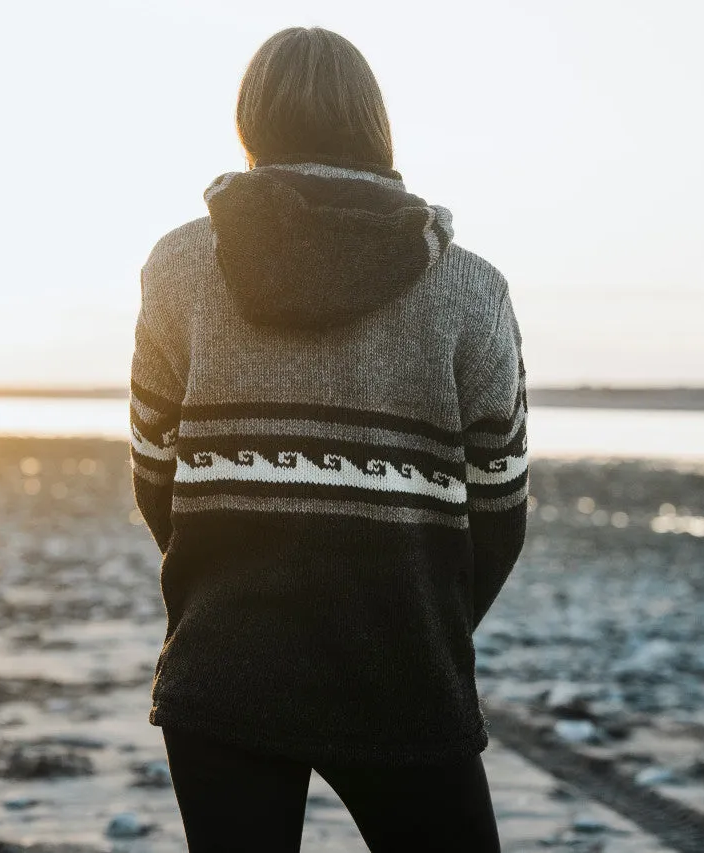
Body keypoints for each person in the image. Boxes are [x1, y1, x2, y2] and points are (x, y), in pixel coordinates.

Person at [129, 25, 528, 853]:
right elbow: (499, 509)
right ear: (373, 121)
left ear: (250, 119)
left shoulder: (176, 267)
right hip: (404, 667)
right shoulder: (470, 286)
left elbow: (153, 475)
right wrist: (422, 619)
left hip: (222, 662)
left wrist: (222, 583)